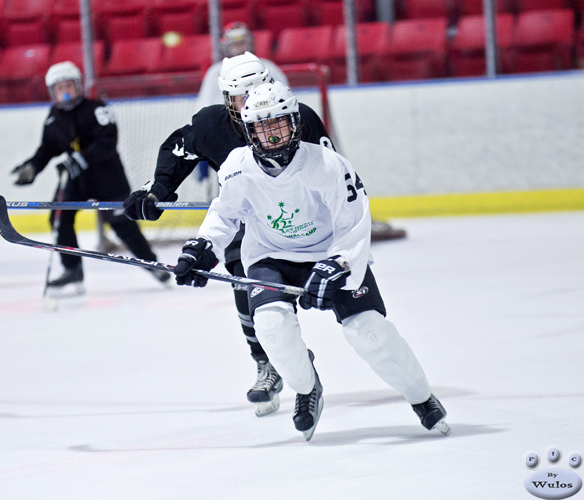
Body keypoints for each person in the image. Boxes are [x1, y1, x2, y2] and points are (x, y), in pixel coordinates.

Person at [172, 81, 449, 441]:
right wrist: (201, 247)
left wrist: (338, 264)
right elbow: (225, 215)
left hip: (330, 253)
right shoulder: (237, 167)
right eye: (261, 126)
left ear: (294, 122)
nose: (271, 134)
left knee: (369, 333)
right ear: (248, 129)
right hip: (271, 256)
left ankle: (422, 398)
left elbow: (353, 222)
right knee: (270, 326)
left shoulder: (327, 164)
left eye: (279, 123)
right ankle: (307, 389)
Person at [124, 52, 335, 417]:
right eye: (241, 97)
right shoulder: (211, 125)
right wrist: (157, 190)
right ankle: (268, 363)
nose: (252, 101)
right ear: (227, 101)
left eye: (258, 90)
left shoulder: (299, 118)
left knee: (341, 304)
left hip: (302, 221)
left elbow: (332, 173)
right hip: (250, 221)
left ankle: (295, 356)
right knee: (248, 287)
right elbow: (181, 150)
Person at [11, 61, 170, 295]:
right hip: (76, 178)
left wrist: (81, 159)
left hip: (108, 175)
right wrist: (32, 167)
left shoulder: (97, 109)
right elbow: (47, 148)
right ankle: (72, 269)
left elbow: (107, 142)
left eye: (69, 86)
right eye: (59, 88)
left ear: (79, 86)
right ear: (51, 92)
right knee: (59, 218)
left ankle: (150, 262)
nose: (65, 92)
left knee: (122, 223)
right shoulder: (54, 116)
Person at [196, 22, 288, 112]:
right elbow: (204, 104)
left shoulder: (268, 67)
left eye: (242, 43)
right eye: (235, 45)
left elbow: (286, 98)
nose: (239, 48)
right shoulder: (216, 72)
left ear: (251, 43)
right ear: (226, 46)